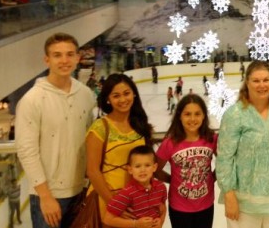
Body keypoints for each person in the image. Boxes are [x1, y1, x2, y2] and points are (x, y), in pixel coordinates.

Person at [15, 32, 96, 228]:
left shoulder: (85, 94)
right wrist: (45, 196)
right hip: (49, 196)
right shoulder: (32, 100)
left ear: (78, 58)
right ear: (47, 60)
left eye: (69, 54)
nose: (64, 60)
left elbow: (88, 140)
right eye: (57, 55)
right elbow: (27, 151)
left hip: (80, 191)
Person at [216, 61, 269, 228]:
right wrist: (229, 194)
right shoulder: (234, 115)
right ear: (247, 83)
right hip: (243, 201)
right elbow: (224, 158)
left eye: (266, 80)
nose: (262, 85)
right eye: (256, 80)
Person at [86, 74, 154, 226]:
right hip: (108, 200)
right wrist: (116, 204)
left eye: (126, 93)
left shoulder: (140, 125)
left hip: (137, 199)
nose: (123, 100)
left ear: (134, 94)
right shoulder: (100, 127)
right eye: (116, 95)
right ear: (108, 99)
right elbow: (92, 171)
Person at [156, 94, 217, 228]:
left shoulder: (212, 138)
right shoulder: (170, 143)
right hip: (179, 208)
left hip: (205, 205)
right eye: (187, 114)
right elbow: (155, 169)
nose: (192, 119)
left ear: (204, 116)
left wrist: (213, 177)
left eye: (197, 114)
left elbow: (225, 162)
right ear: (179, 116)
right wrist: (172, 180)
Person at [103, 146, 167, 228]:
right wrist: (136, 224)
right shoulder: (127, 193)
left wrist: (161, 221)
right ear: (130, 169)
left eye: (147, 165)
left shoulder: (161, 187)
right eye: (137, 166)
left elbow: (162, 208)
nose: (142, 170)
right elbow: (107, 219)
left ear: (154, 167)